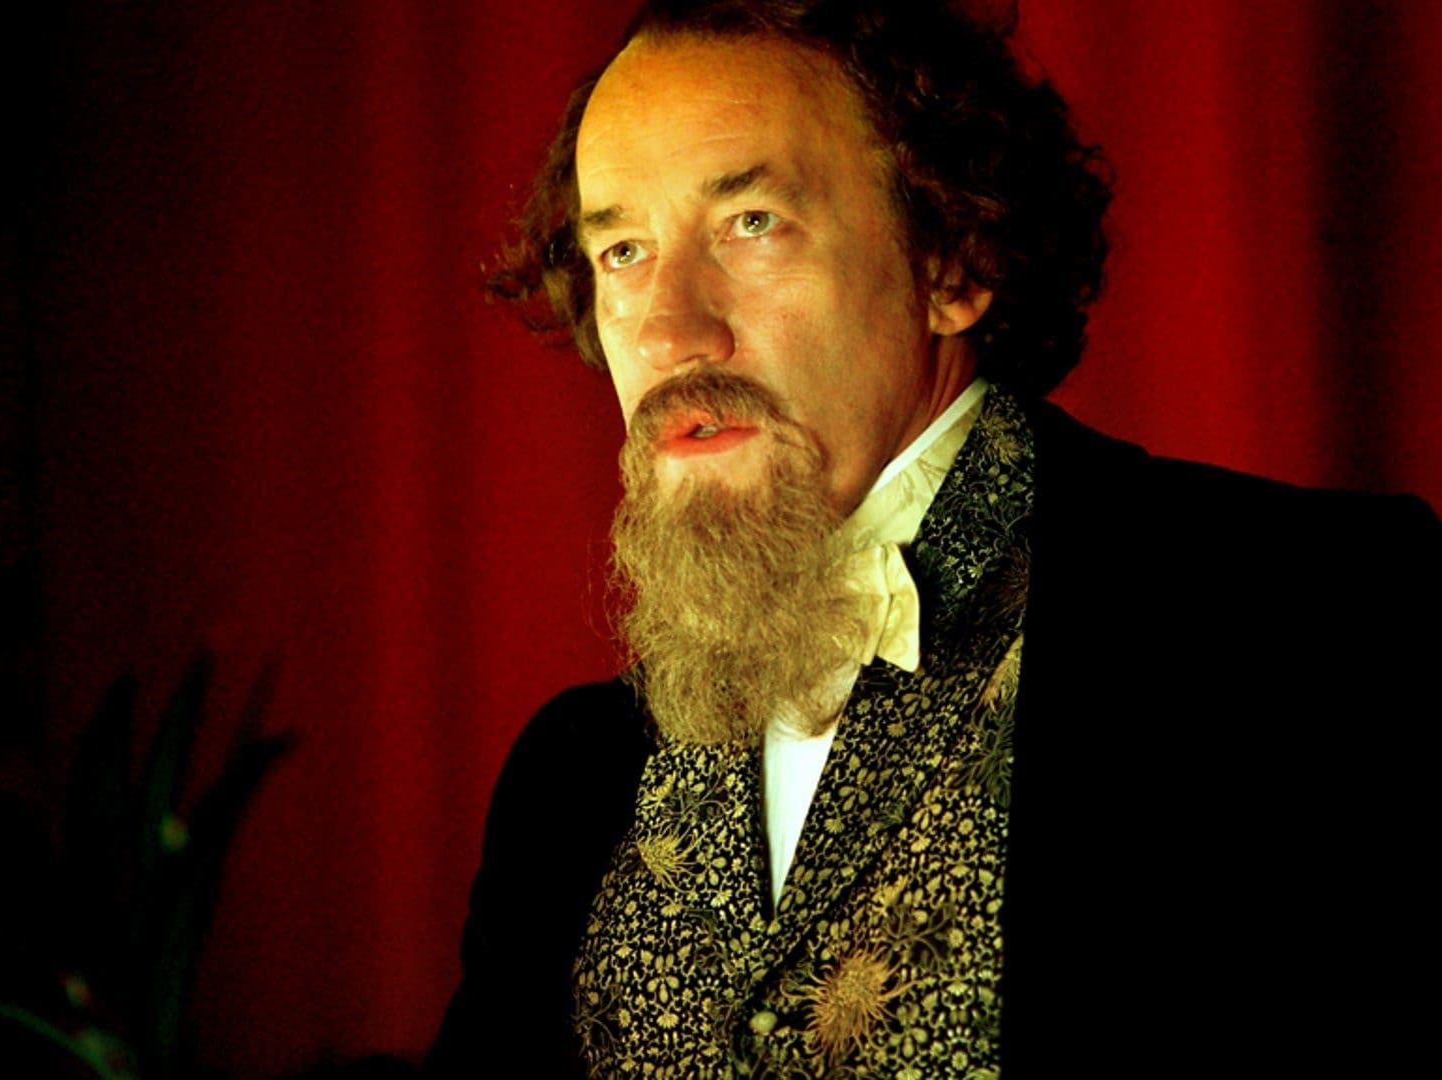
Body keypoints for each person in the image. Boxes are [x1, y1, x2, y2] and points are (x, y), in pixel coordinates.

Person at [429, 1, 1442, 1076]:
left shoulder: (1319, 616)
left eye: (751, 222)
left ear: (953, 262)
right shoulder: (571, 778)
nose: (670, 331)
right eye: (623, 250)